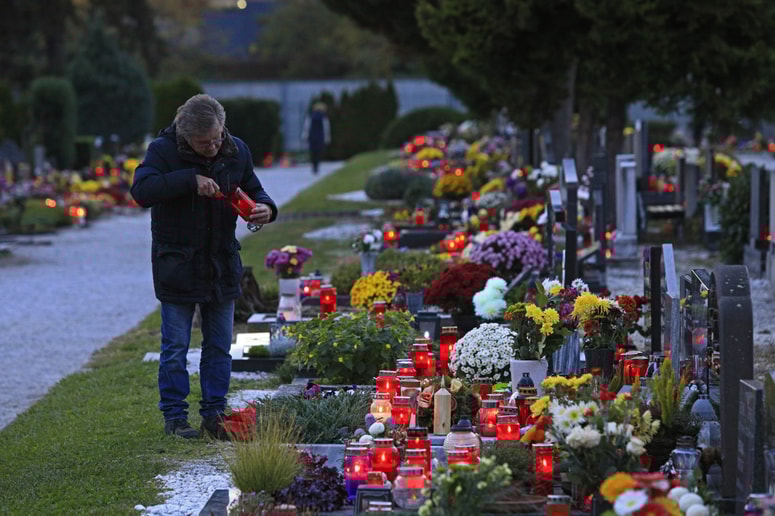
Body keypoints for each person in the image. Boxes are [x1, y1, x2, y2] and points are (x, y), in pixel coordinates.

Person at [131, 94, 277, 439]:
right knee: (175, 347)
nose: (212, 146)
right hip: (178, 264)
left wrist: (266, 209)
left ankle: (215, 415)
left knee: (219, 346)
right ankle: (175, 419)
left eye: (216, 137)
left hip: (222, 262)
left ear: (222, 127)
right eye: (203, 142)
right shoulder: (163, 151)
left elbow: (256, 189)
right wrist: (189, 180)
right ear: (186, 136)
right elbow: (141, 190)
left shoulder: (236, 149)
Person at [301, 102, 331, 174]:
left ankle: (314, 165)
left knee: (312, 151)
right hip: (320, 136)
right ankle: (316, 166)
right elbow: (326, 128)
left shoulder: (310, 116)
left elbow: (307, 126)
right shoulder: (324, 117)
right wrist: (327, 137)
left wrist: (305, 135)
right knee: (318, 151)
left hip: (312, 136)